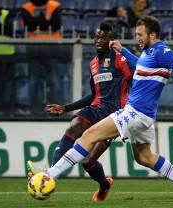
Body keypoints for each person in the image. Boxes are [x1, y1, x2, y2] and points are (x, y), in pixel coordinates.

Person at [28, 16, 173, 203]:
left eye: (140, 34)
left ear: (153, 36)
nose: (137, 38)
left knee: (87, 136)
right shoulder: (149, 53)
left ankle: (48, 176)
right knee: (144, 158)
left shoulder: (163, 52)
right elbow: (140, 67)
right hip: (145, 116)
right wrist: (124, 51)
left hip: (135, 113)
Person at [28, 22, 133, 201]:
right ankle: (50, 174)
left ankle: (105, 185)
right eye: (97, 36)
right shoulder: (93, 63)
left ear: (111, 41)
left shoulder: (120, 59)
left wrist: (130, 116)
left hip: (114, 116)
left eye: (104, 37)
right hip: (96, 108)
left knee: (88, 162)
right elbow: (94, 95)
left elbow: (134, 83)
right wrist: (66, 108)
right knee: (73, 128)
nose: (99, 40)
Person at [18, 0, 62, 115]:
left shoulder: (55, 5)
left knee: (53, 80)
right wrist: (46, 22)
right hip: (33, 49)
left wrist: (37, 22)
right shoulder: (26, 7)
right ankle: (35, 110)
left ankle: (55, 110)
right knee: (34, 81)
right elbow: (29, 26)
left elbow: (56, 24)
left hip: (52, 49)